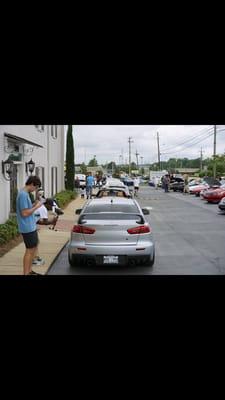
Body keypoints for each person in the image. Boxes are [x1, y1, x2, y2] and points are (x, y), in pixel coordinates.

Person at [16, 175, 42, 275]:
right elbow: (25, 213)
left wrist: (34, 204)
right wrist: (37, 207)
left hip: (30, 226)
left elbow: (26, 209)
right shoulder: (23, 195)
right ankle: (26, 273)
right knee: (29, 250)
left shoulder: (25, 194)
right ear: (31, 184)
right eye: (35, 187)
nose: (35, 190)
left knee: (33, 248)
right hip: (27, 227)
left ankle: (29, 271)